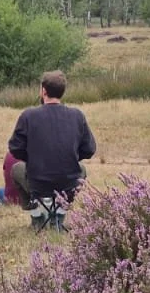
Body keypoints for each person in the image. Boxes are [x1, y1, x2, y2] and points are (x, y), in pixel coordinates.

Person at [8, 71, 97, 230]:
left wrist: (31, 158)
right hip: (68, 182)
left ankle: (36, 216)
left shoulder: (28, 116)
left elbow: (15, 149)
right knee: (81, 170)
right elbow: (89, 149)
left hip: (38, 183)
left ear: (43, 91)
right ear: (63, 91)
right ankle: (60, 216)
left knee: (16, 169)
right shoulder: (77, 116)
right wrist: (72, 156)